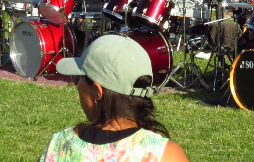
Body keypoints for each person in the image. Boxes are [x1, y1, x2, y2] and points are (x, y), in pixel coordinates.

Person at [41, 34, 188, 162]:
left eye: (78, 79)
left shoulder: (60, 146)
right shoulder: (166, 154)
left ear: (97, 92)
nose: (77, 85)